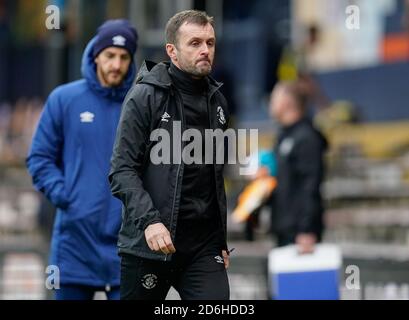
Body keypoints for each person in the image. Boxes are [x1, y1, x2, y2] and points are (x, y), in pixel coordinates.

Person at [109, 10, 230, 300]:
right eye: (195, 43)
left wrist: (219, 238)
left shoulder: (219, 101)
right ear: (172, 51)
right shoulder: (145, 96)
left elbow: (213, 176)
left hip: (203, 249)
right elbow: (122, 170)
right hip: (149, 244)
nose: (205, 50)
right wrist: (150, 221)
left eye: (210, 43)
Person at [26, 19, 138, 300]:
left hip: (127, 247)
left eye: (124, 57)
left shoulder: (141, 104)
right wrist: (66, 196)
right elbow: (40, 157)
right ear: (95, 55)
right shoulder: (64, 99)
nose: (116, 64)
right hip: (73, 246)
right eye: (110, 55)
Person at [269, 81, 327, 254]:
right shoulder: (283, 136)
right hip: (283, 227)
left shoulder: (307, 137)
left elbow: (310, 186)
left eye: (274, 98)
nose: (270, 104)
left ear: (287, 102)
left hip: (300, 233)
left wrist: (306, 230)